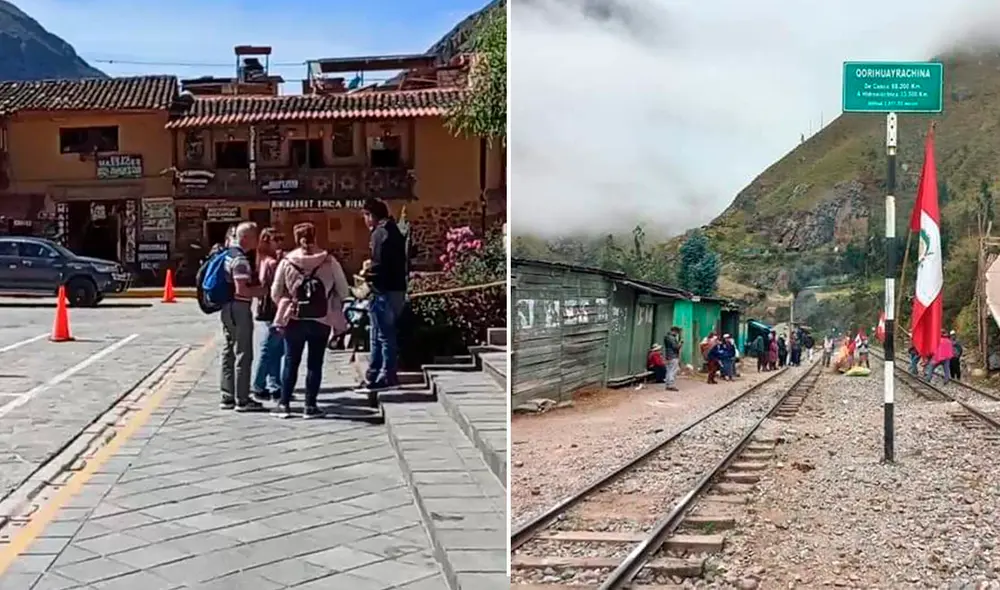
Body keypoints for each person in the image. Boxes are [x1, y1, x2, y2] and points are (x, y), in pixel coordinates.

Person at [270, 222, 350, 418]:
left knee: (291, 361)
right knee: (315, 363)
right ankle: (310, 406)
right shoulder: (329, 261)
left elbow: (275, 292)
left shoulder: (287, 261)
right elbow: (344, 291)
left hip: (294, 317)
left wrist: (287, 303)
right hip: (321, 318)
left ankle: (285, 404)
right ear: (316, 236)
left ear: (296, 238)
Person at [357, 199, 409, 402]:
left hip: (383, 290)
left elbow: (378, 265)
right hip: (397, 288)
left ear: (371, 215)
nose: (365, 220)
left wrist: (366, 276)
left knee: (383, 335)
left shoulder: (379, 233)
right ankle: (374, 373)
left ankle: (388, 375)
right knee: (381, 333)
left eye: (365, 216)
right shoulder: (394, 230)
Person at [218, 222, 266, 412]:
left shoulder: (228, 255)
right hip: (239, 307)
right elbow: (242, 290)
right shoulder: (240, 261)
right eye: (255, 236)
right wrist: (263, 291)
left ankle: (227, 395)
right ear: (246, 238)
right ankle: (242, 399)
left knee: (228, 350)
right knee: (243, 352)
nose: (257, 240)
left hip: (226, 307)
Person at [251, 228, 285, 402]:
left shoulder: (263, 260)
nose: (280, 242)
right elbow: (276, 286)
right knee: (270, 348)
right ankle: (259, 384)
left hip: (266, 309)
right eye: (276, 239)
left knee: (275, 348)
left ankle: (274, 384)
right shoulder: (271, 262)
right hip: (272, 309)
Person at [663, 327, 682, 391]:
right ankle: (671, 385)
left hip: (668, 356)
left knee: (668, 371)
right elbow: (675, 347)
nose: (677, 334)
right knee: (673, 371)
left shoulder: (667, 337)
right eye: (677, 332)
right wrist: (680, 343)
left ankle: (668, 384)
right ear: (675, 331)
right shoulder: (672, 338)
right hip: (673, 356)